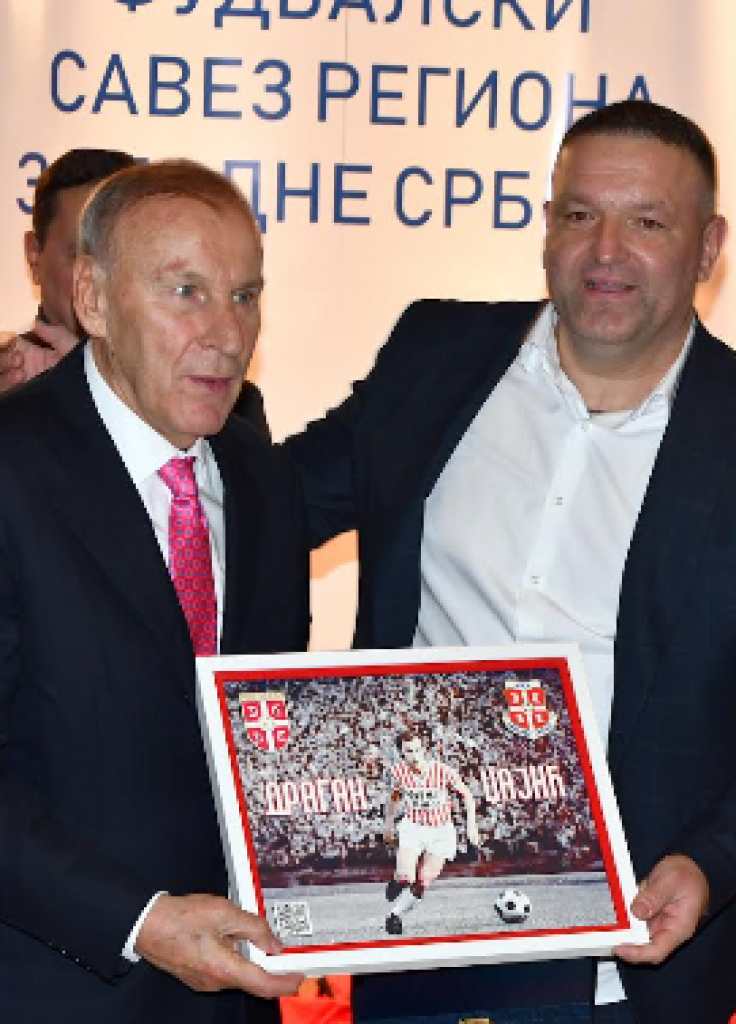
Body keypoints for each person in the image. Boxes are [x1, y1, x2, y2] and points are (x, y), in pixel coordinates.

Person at [284, 99, 734, 1023]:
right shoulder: (436, 355)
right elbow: (266, 504)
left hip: (626, 957)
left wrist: (713, 862)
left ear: (708, 247)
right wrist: (93, 416)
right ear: (547, 227)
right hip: (411, 926)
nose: (605, 251)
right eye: (580, 214)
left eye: (647, 223)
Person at [0, 158, 310, 1023]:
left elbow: (265, 736)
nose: (227, 333)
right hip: (52, 992)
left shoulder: (264, 480)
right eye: (185, 292)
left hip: (237, 994)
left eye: (244, 296)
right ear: (93, 299)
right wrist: (142, 922)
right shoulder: (11, 469)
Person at [0, 147, 270, 437]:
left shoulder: (232, 407)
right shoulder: (12, 402)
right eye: (185, 291)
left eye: (244, 297)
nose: (231, 341)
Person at [383, 730, 479, 936]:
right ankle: (397, 880)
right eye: (409, 751)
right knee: (406, 877)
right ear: (401, 753)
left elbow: (467, 797)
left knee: (423, 881)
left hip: (441, 831)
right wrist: (388, 825)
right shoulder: (397, 773)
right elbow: (393, 798)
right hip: (414, 827)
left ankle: (394, 916)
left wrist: (471, 829)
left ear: (424, 750)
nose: (415, 755)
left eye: (418, 750)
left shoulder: (443, 772)